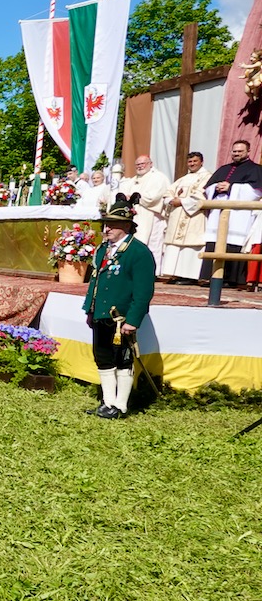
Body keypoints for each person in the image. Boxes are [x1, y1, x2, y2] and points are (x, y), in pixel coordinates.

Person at [83, 193, 155, 419]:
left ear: (126, 226)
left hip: (121, 318)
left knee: (123, 359)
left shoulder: (138, 252)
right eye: (106, 224)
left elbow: (143, 291)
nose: (107, 229)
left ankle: (121, 406)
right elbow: (95, 281)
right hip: (101, 314)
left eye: (112, 225)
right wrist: (90, 309)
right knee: (103, 357)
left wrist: (133, 320)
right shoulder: (102, 250)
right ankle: (107, 403)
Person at [199, 140, 262, 288]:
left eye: (240, 151)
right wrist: (216, 187)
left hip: (239, 215)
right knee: (214, 243)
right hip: (218, 213)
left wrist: (231, 187)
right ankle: (210, 277)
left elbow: (256, 192)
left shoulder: (256, 169)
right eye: (234, 151)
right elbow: (207, 188)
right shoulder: (223, 169)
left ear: (248, 152)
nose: (236, 154)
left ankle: (231, 279)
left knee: (233, 244)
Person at [160, 151, 211, 284]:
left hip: (194, 216)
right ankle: (176, 274)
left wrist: (181, 201)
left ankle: (189, 276)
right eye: (190, 161)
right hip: (177, 215)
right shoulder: (183, 178)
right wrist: (170, 200)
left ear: (201, 162)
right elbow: (168, 192)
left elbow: (202, 195)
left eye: (195, 161)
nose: (192, 164)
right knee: (175, 246)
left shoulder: (207, 177)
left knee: (190, 245)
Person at [120, 155, 171, 272]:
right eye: (137, 164)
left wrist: (137, 198)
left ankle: (152, 271)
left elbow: (154, 197)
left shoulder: (158, 178)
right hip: (135, 216)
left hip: (151, 216)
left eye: (143, 163)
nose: (140, 166)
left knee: (152, 244)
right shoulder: (133, 180)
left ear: (150, 164)